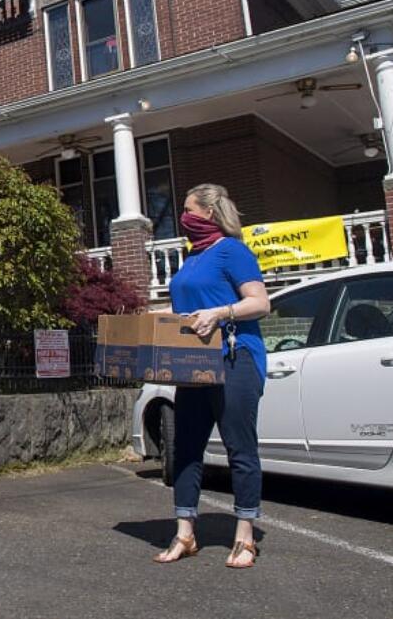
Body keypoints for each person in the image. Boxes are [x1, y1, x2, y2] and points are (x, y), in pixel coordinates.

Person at [154, 184, 270, 569]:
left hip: (234, 358)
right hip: (193, 364)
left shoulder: (232, 251)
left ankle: (245, 537)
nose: (182, 217)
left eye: (188, 210)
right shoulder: (191, 258)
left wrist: (221, 313)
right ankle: (185, 534)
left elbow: (260, 302)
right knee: (185, 448)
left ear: (208, 212)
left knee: (240, 448)